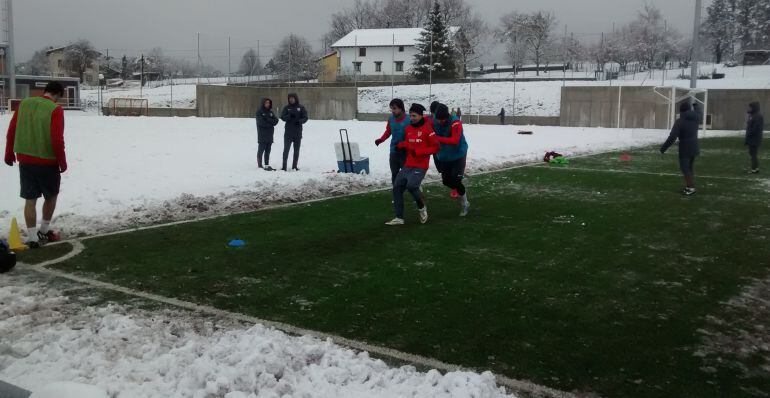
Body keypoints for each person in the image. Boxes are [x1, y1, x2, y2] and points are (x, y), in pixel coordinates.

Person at [4, 82, 67, 248]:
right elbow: (56, 139)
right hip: (47, 160)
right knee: (51, 196)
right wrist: (62, 161)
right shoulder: (55, 110)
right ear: (58, 94)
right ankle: (44, 230)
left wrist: (9, 152)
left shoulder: (24, 104)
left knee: (30, 199)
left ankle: (32, 238)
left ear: (45, 91)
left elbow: (12, 129)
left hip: (25, 159)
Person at [387, 103, 440, 226]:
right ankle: (399, 218)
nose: (411, 118)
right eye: (410, 116)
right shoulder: (408, 129)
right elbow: (409, 142)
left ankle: (422, 208)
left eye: (414, 115)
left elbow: (436, 147)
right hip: (409, 164)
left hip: (421, 165)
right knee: (397, 186)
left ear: (421, 116)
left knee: (411, 185)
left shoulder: (428, 129)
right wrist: (402, 145)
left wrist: (420, 152)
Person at [433, 104, 470, 216]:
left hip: (458, 154)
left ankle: (465, 202)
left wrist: (436, 138)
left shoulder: (455, 123)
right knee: (446, 181)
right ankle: (459, 190)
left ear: (447, 116)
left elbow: (454, 140)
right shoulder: (434, 120)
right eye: (438, 119)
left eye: (442, 119)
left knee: (456, 180)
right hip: (445, 155)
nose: (440, 122)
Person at [660, 101, 700, 196]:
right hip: (694, 146)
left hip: (685, 148)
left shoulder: (680, 121)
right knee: (689, 168)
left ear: (681, 111)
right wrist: (696, 106)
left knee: (685, 168)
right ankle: (689, 186)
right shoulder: (696, 118)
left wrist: (663, 148)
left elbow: (672, 137)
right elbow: (700, 112)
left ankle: (690, 188)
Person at [374, 98, 410, 183]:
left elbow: (413, 135)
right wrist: (381, 139)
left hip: (406, 151)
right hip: (394, 150)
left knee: (405, 173)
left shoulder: (409, 120)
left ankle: (412, 187)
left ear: (401, 108)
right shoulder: (391, 119)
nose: (392, 111)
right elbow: (388, 131)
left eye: (394, 108)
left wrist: (404, 145)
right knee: (394, 173)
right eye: (391, 108)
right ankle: (396, 191)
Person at [280, 93, 308, 171]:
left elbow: (305, 117)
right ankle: (284, 167)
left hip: (297, 133)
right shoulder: (286, 108)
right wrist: (289, 116)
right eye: (290, 98)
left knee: (296, 151)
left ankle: (294, 166)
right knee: (286, 150)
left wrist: (300, 121)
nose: (291, 99)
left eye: (292, 98)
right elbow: (282, 117)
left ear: (296, 98)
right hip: (288, 133)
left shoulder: (301, 107)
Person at [256, 98, 279, 171]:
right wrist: (270, 123)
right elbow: (261, 122)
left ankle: (266, 165)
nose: (267, 104)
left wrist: (268, 120)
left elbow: (276, 121)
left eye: (269, 103)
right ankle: (260, 166)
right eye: (266, 103)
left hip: (270, 135)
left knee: (268, 151)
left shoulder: (271, 112)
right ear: (263, 103)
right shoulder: (259, 112)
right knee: (261, 150)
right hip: (262, 135)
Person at [745, 101, 764, 174]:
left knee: (753, 154)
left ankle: (754, 169)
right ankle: (756, 168)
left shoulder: (758, 116)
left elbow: (755, 128)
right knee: (752, 154)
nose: (749, 108)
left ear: (754, 108)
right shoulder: (752, 115)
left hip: (754, 139)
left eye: (751, 107)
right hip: (752, 138)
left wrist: (749, 134)